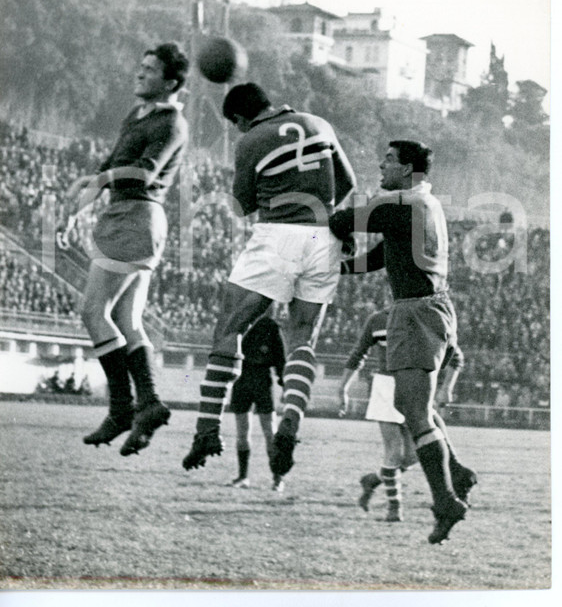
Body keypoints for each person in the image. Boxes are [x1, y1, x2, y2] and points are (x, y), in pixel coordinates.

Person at [182, 82, 356, 476]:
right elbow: (348, 184)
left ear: (241, 119)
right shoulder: (318, 123)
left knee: (229, 327)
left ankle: (208, 428)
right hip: (324, 236)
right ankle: (290, 422)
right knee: (302, 340)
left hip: (279, 233)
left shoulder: (251, 139)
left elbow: (243, 206)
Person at [329, 140, 472, 544]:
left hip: (415, 313)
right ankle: (457, 472)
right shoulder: (425, 205)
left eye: (389, 159)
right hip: (431, 308)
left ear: (408, 168)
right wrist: (343, 267)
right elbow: (380, 258)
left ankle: (446, 500)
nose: (381, 164)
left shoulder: (399, 204)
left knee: (414, 412)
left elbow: (342, 222)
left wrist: (333, 241)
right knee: (408, 404)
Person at [57, 43, 189, 456]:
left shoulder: (171, 124)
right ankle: (147, 404)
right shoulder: (136, 116)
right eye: (142, 66)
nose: (140, 73)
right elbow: (105, 172)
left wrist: (99, 181)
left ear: (170, 82)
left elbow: (145, 173)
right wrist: (75, 213)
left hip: (137, 216)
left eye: (150, 70)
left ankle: (122, 408)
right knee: (126, 319)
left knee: (93, 312)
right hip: (127, 216)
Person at [338, 306, 476, 522]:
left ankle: (373, 480)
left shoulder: (427, 318)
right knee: (393, 451)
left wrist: (446, 387)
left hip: (416, 384)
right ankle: (395, 509)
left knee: (413, 456)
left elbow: (455, 355)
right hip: (386, 385)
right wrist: (343, 387)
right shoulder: (377, 320)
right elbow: (358, 354)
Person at [228, 315, 286, 492]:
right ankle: (243, 476)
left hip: (262, 379)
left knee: (270, 431)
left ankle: (277, 478)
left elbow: (280, 358)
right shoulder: (239, 321)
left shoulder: (270, 326)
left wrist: (284, 384)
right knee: (242, 431)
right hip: (241, 379)